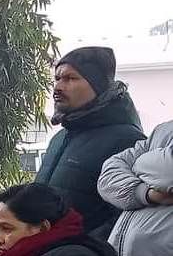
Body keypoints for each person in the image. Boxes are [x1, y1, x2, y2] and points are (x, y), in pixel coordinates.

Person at [36, 47, 145, 239]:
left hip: (82, 255)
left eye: (70, 78)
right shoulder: (60, 138)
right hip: (43, 253)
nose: (58, 87)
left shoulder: (128, 140)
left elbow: (129, 215)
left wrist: (85, 249)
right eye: (57, 78)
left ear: (98, 85)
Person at [98, 120, 173, 256]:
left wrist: (139, 163)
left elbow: (169, 171)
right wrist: (147, 193)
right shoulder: (164, 129)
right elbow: (108, 175)